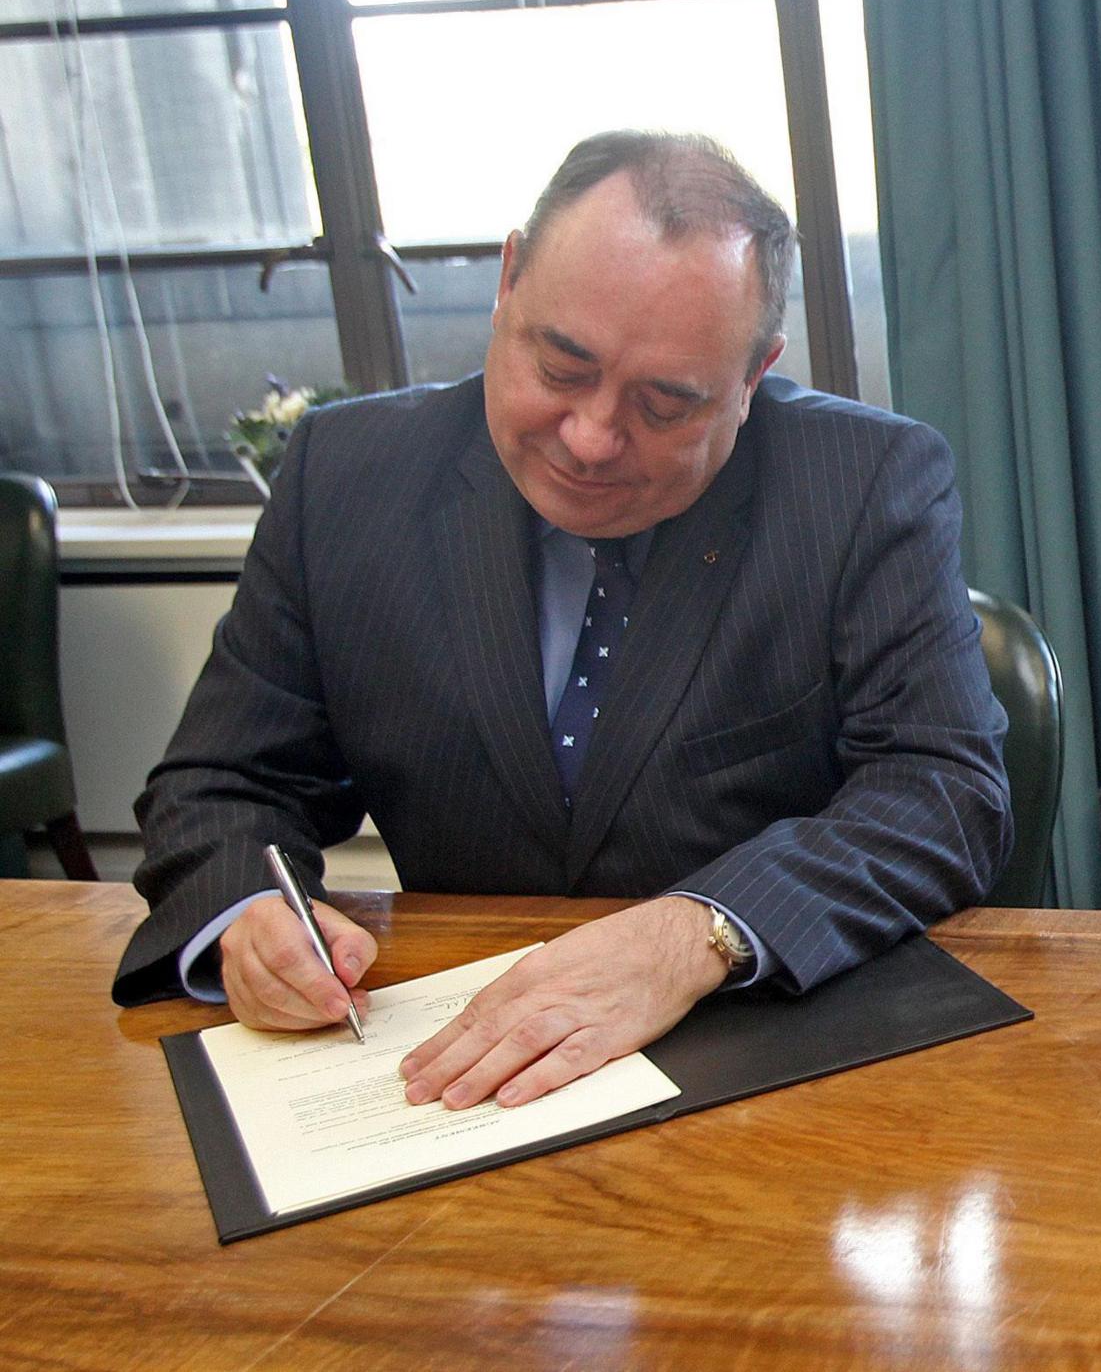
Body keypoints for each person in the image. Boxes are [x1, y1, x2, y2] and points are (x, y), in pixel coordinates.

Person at [113, 131, 1010, 1113]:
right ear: (508, 283)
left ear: (752, 375)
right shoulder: (346, 476)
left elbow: (942, 788)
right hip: (456, 1075)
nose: (588, 437)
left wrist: (701, 930)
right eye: (560, 362)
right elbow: (222, 779)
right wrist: (253, 911)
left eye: (665, 404)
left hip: (765, 1070)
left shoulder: (862, 484)